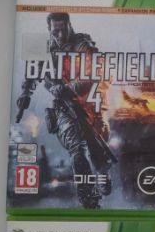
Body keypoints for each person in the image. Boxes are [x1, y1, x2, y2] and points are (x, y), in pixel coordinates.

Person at [16, 12, 114, 208]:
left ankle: (103, 172)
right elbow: (32, 73)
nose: (59, 35)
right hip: (64, 108)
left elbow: (95, 75)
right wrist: (26, 93)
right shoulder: (44, 48)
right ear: (49, 30)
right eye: (55, 31)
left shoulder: (83, 46)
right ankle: (89, 198)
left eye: (63, 30)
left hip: (90, 106)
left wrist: (68, 88)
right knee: (77, 151)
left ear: (70, 26)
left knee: (98, 150)